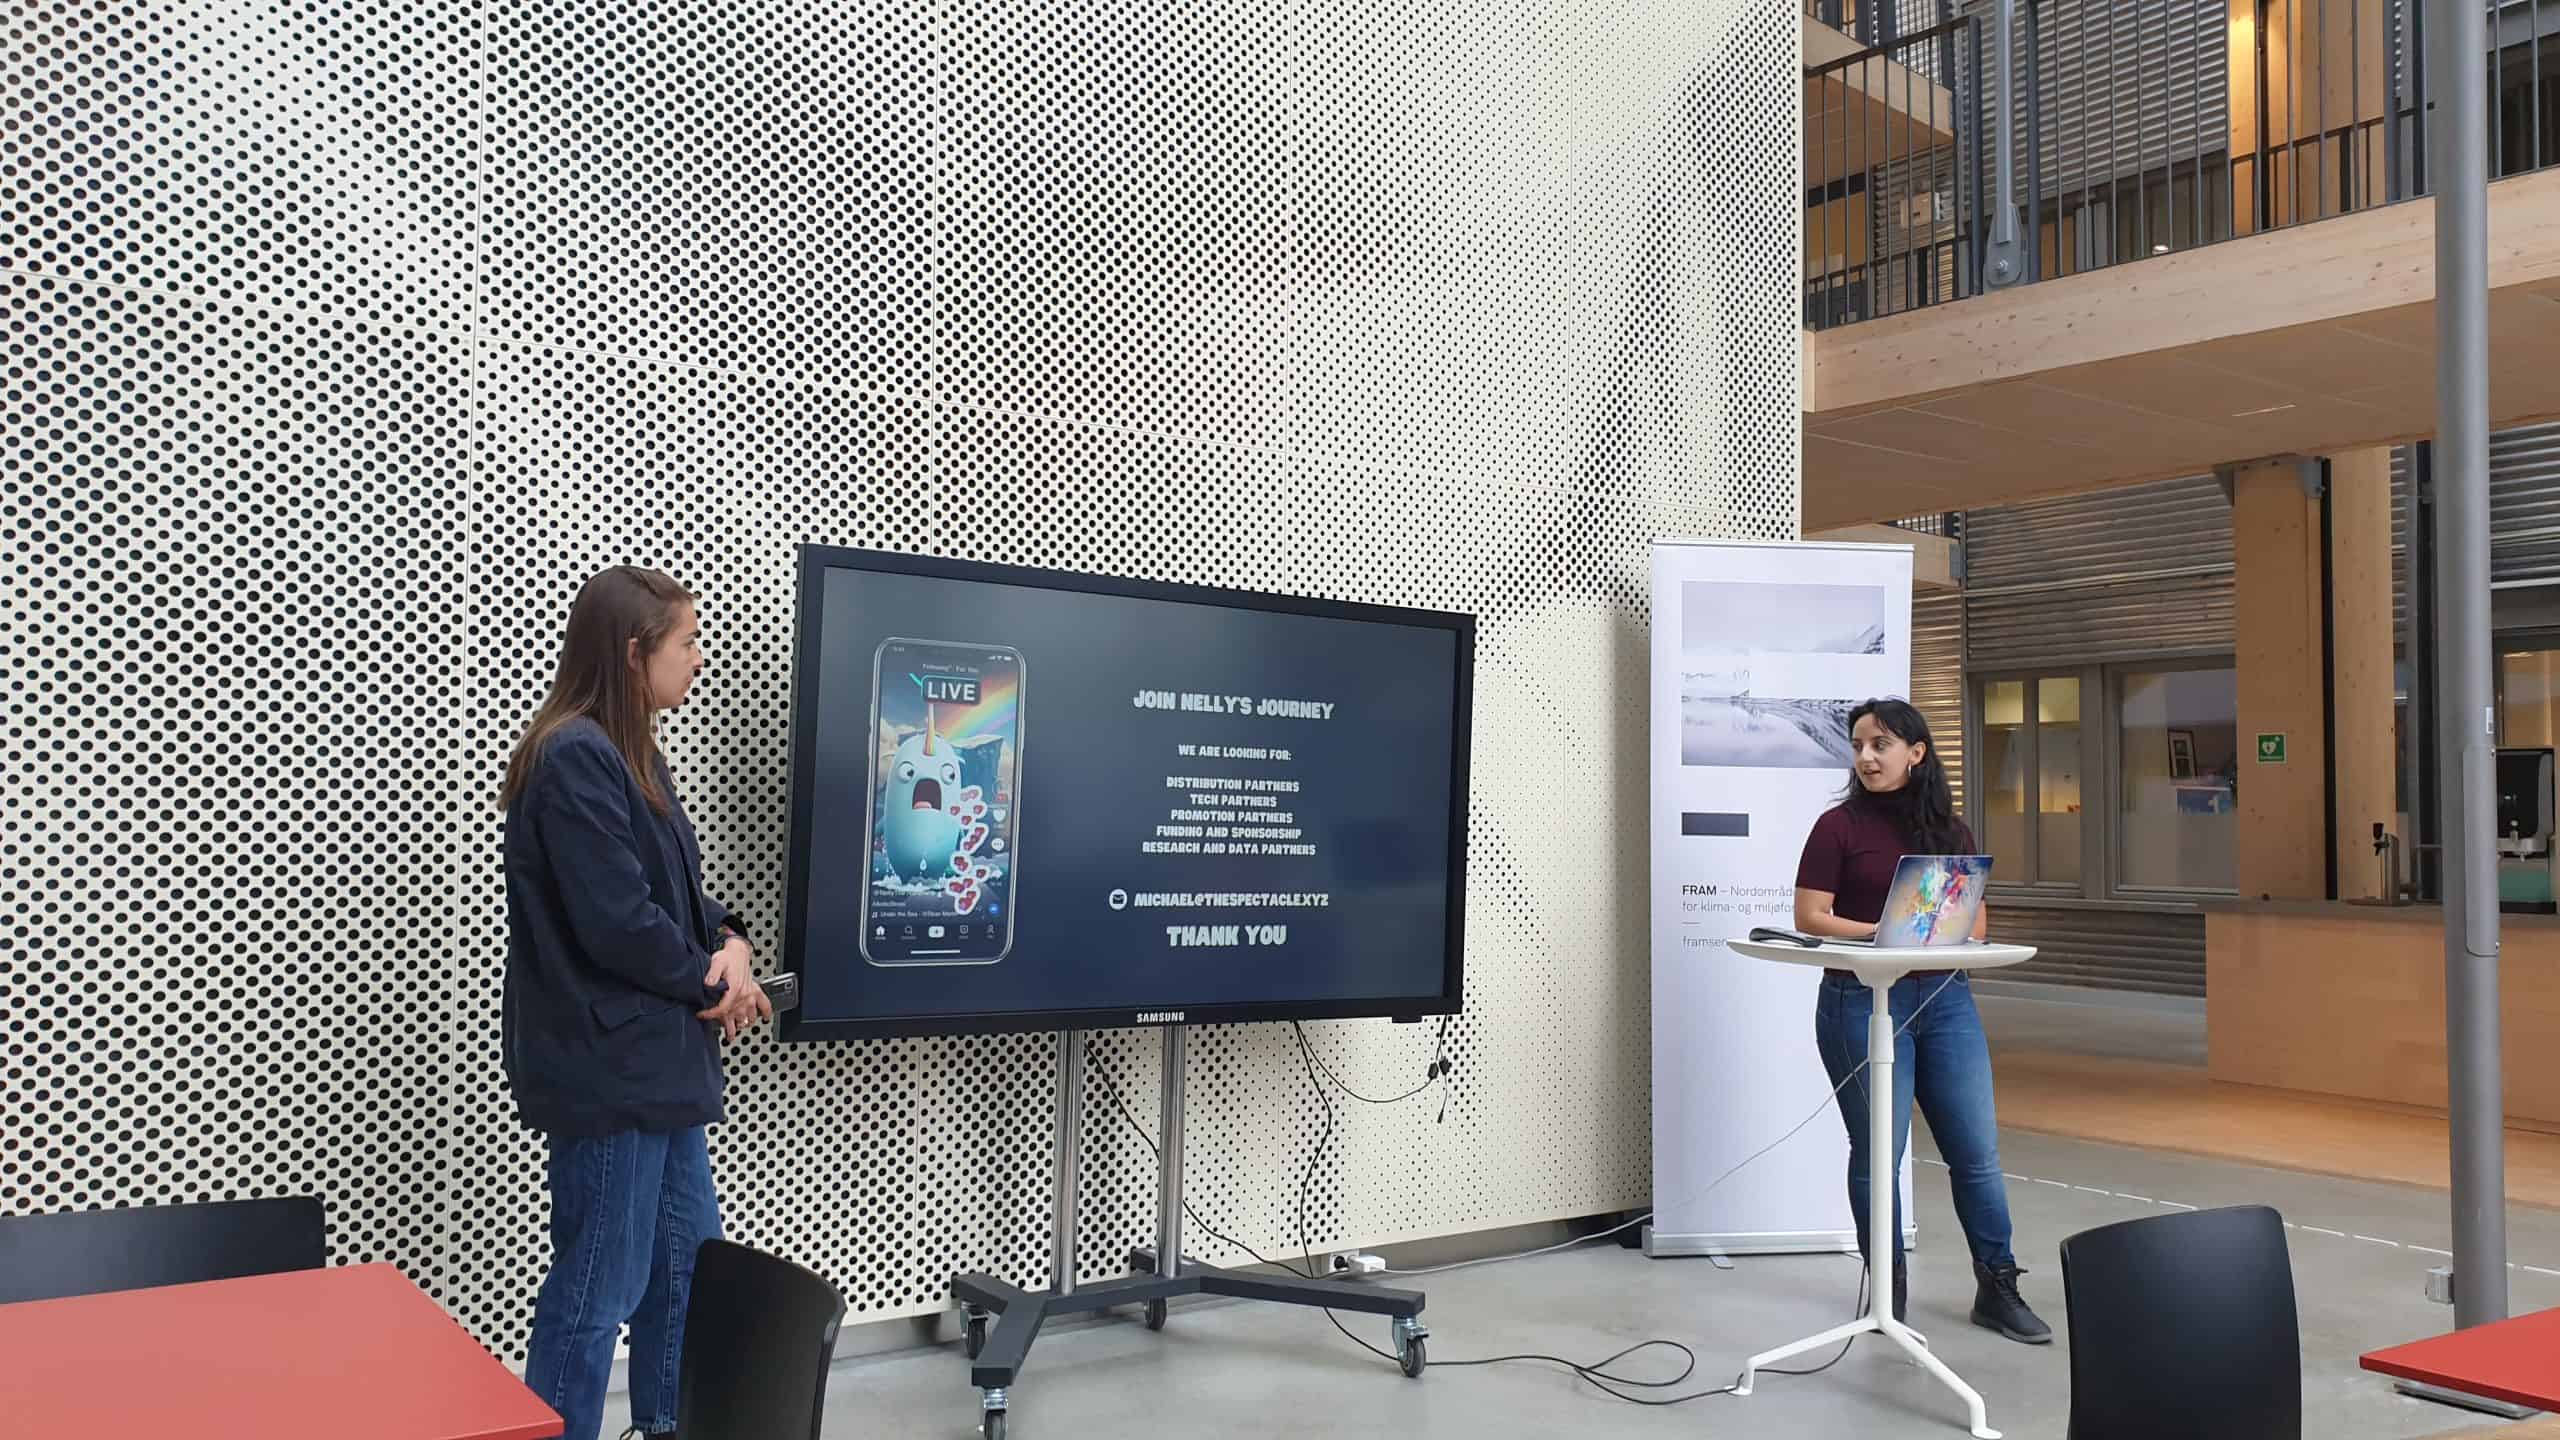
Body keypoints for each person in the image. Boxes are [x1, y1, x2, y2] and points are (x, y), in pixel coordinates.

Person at [500, 566, 773, 1439]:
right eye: (686, 642)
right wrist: (713, 978)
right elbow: (617, 923)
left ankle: (664, 1428)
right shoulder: (575, 754)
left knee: (682, 1276)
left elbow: (679, 899)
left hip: (661, 1073)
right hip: (613, 1075)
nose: (699, 658)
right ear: (631, 653)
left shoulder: (632, 753)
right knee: (596, 1293)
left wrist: (730, 942)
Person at [1792, 698, 2049, 1344]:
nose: (1865, 757)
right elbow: (1811, 917)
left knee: (1977, 1153)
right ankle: (1888, 1293)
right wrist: (1887, 935)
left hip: (1945, 1003)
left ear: (1917, 753)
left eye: (1880, 744)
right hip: (1861, 1002)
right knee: (1880, 1153)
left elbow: (1976, 927)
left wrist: (1924, 939)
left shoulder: (1950, 835)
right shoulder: (1837, 827)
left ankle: (1997, 1286)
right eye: (1858, 745)